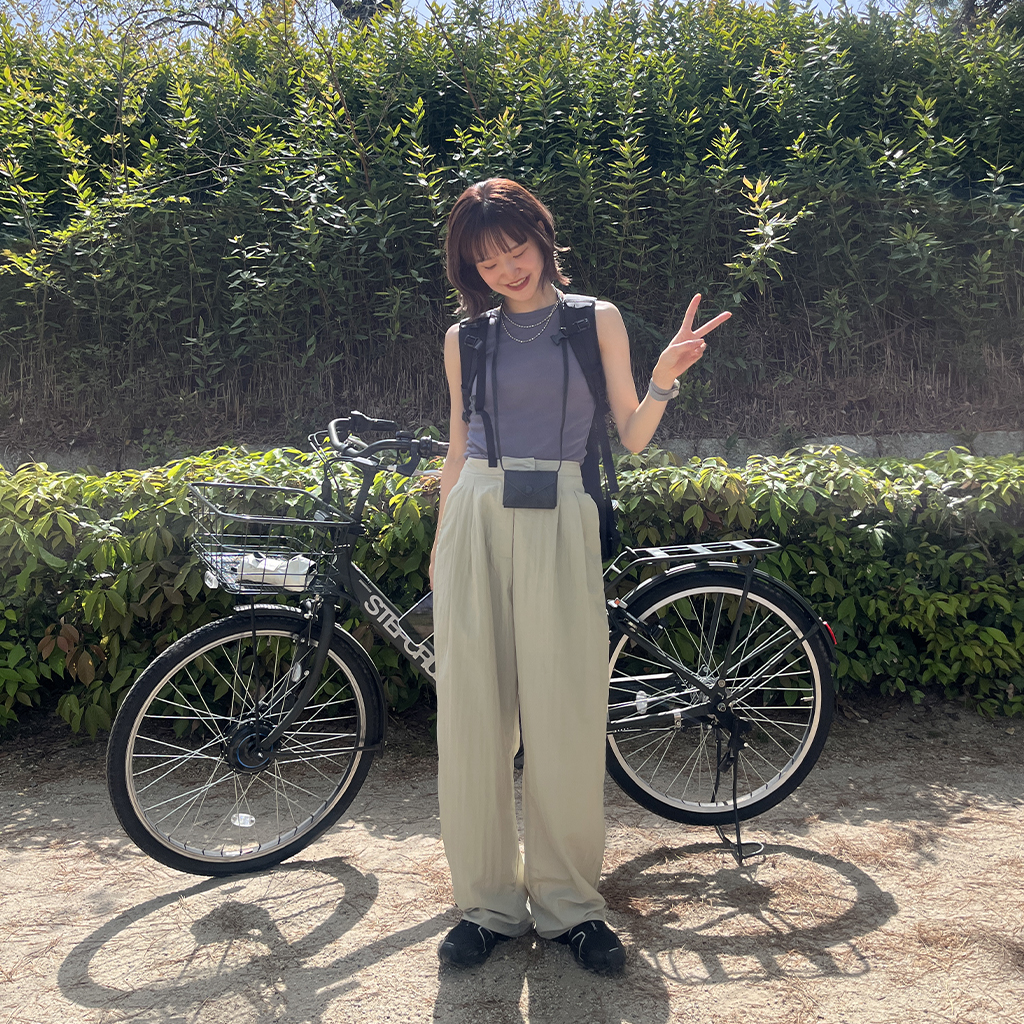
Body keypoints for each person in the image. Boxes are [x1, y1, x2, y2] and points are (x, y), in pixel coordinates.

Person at [429, 178, 731, 975]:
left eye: (514, 249)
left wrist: (664, 376)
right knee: (472, 720)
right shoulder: (466, 339)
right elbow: (458, 447)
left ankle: (569, 906)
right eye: (486, 261)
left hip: (563, 512)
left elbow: (631, 433)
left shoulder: (595, 318)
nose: (506, 269)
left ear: (541, 236)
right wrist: (439, 548)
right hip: (476, 515)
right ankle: (487, 906)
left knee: (565, 712)